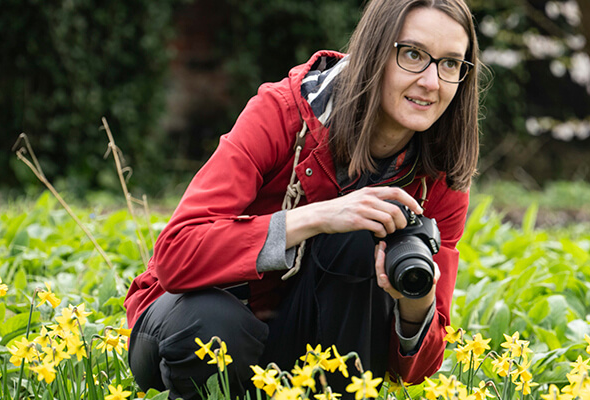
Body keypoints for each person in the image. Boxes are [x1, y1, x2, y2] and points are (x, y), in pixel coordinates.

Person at [124, 0, 481, 398]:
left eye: (450, 64)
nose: (431, 81)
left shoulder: (440, 176)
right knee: (212, 325)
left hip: (301, 341)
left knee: (357, 240)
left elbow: (418, 369)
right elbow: (177, 254)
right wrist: (318, 217)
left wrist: (418, 303)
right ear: (374, 50)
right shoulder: (283, 112)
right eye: (412, 54)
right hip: (195, 317)